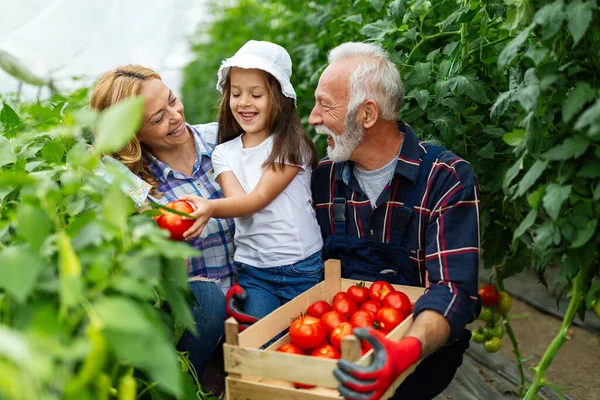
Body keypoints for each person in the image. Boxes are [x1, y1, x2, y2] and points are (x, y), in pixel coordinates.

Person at [309, 42, 481, 400]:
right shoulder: (322, 177)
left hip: (422, 353)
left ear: (367, 114)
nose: (313, 117)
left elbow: (453, 288)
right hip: (337, 348)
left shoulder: (445, 178)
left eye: (325, 105)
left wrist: (408, 348)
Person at [89, 65, 234, 381]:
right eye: (157, 118)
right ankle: (186, 383)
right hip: (201, 322)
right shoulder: (135, 185)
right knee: (208, 301)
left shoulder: (223, 140)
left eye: (172, 100)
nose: (175, 115)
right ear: (132, 134)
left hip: (253, 296)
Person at [180, 40, 324, 320]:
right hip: (253, 270)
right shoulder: (223, 153)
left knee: (304, 342)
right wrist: (215, 207)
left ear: (279, 98)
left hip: (300, 266)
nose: (244, 102)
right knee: (260, 342)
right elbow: (238, 203)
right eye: (236, 93)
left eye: (256, 94)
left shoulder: (290, 145)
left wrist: (210, 208)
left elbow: (258, 199)